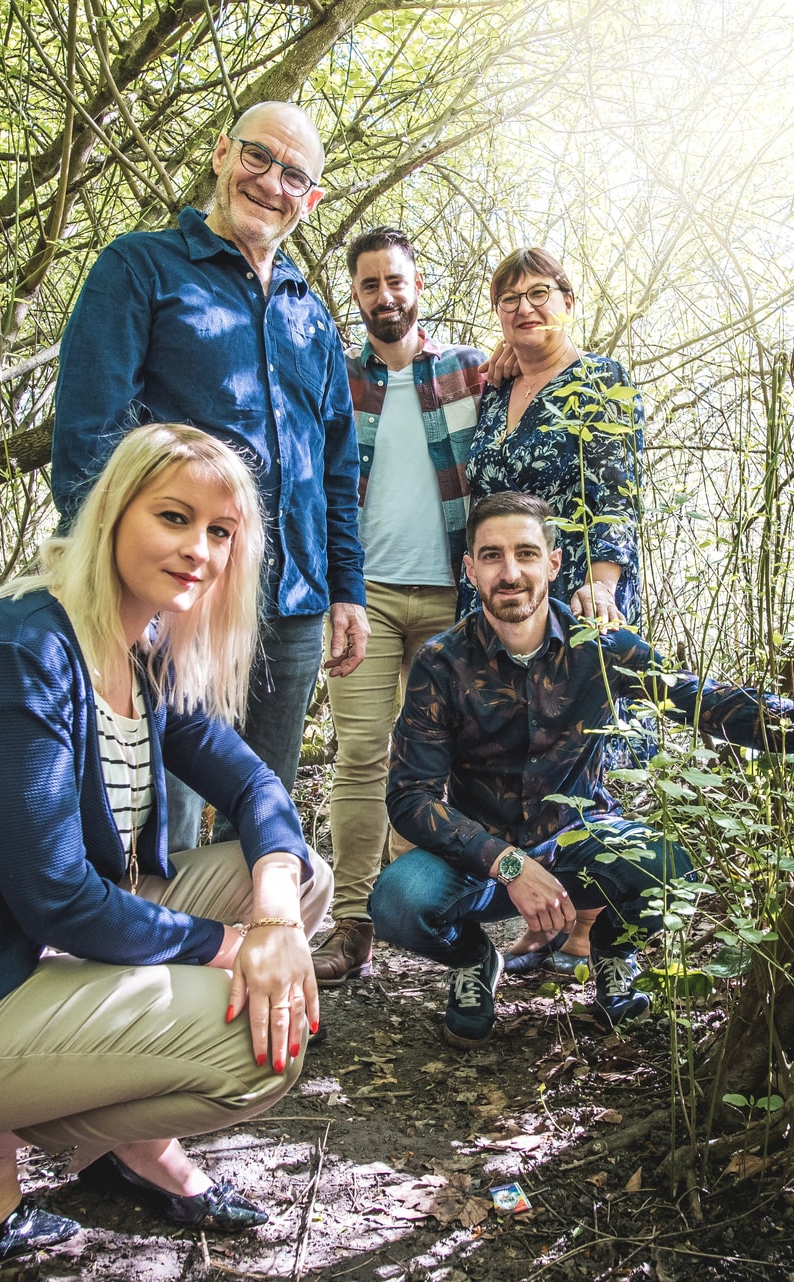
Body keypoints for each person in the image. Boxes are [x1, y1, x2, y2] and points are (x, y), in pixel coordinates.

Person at [0, 425, 333, 1258]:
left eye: (221, 532)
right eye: (174, 517)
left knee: (300, 879)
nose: (199, 548)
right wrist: (235, 945)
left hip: (30, 947)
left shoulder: (143, 646)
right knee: (253, 1051)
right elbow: (59, 896)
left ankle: (125, 1148)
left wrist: (271, 914)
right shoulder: (20, 656)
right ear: (111, 515)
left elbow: (255, 786)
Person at [369, 492, 794, 1049]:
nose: (510, 571)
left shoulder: (602, 647)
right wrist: (508, 863)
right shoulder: (442, 663)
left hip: (580, 842)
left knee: (673, 873)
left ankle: (613, 954)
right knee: (398, 902)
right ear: (469, 569)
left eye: (525, 552)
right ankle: (475, 961)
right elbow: (411, 798)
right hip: (479, 862)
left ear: (554, 562)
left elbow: (707, 702)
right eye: (492, 556)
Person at [52, 99, 369, 839]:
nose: (270, 181)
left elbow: (335, 469)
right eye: (258, 157)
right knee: (162, 820)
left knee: (264, 817)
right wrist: (116, 589)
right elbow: (88, 443)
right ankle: (164, 953)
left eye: (294, 174)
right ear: (223, 153)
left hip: (292, 604)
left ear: (311, 200)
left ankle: (249, 953)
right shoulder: (139, 268)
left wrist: (346, 590)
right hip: (176, 603)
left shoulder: (312, 316)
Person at [311, 226, 488, 986]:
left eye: (397, 280)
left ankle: (442, 916)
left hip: (454, 593)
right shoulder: (335, 377)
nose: (386, 295)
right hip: (365, 597)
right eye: (370, 284)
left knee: (446, 760)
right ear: (354, 296)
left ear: (419, 285)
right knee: (360, 755)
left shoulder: (470, 371)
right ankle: (351, 923)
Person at [465, 246, 644, 975]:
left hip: (573, 597)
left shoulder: (600, 381)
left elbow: (618, 491)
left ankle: (589, 931)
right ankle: (546, 918)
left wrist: (600, 584)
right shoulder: (493, 389)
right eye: (510, 299)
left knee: (578, 758)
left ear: (568, 300)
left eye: (540, 294)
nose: (525, 308)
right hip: (499, 601)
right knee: (513, 759)